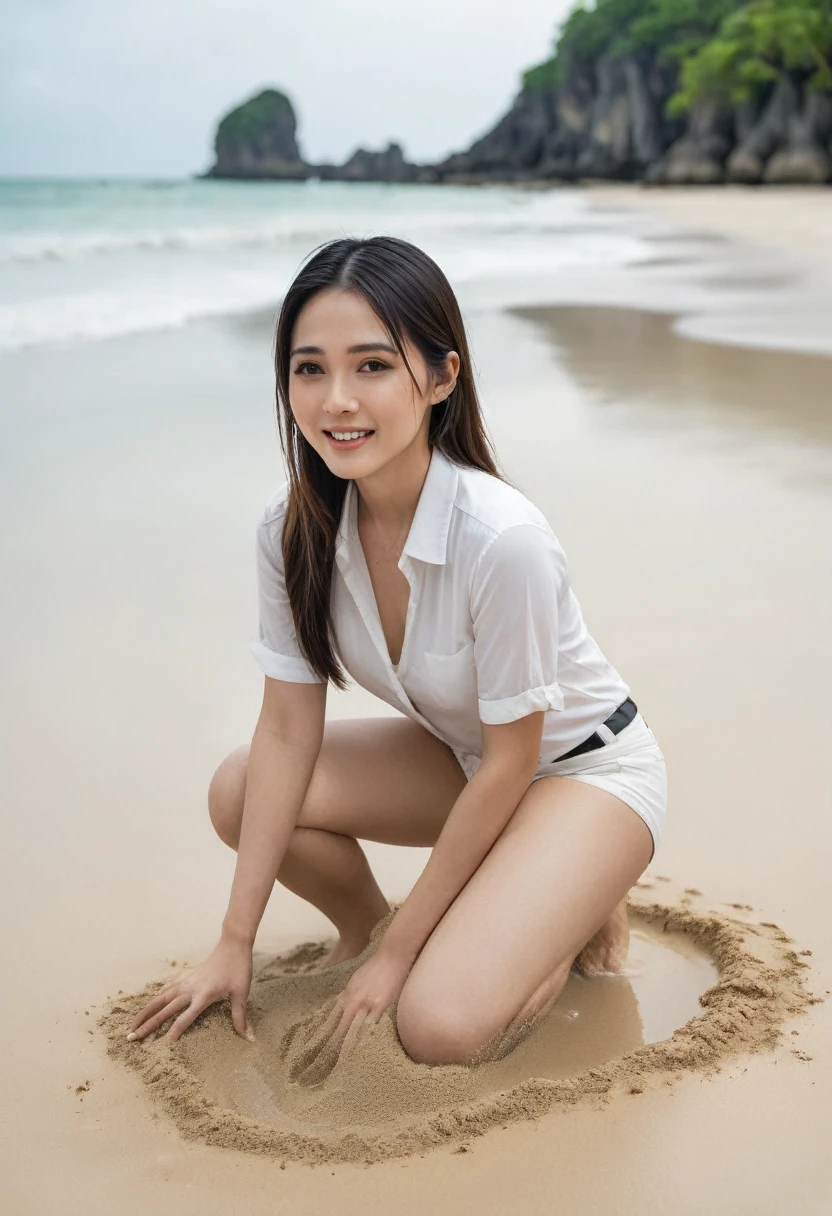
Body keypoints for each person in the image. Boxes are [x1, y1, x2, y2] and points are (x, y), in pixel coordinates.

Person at [128, 235, 667, 1067]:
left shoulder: (504, 539)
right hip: (468, 758)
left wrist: (403, 956)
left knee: (437, 1026)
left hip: (584, 770)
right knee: (239, 788)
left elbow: (513, 763)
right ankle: (366, 921)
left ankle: (572, 909)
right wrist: (235, 942)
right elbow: (285, 734)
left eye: (372, 366)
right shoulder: (292, 529)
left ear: (442, 377)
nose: (336, 399)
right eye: (309, 369)